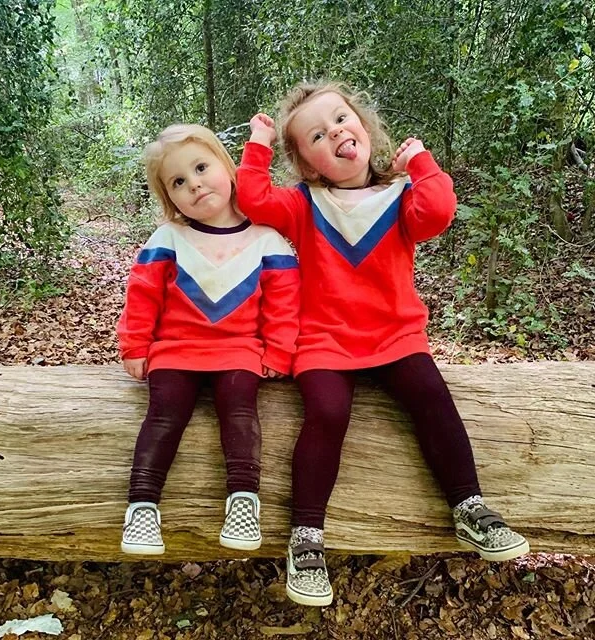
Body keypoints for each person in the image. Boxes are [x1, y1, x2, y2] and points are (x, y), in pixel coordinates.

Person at [235, 81, 529, 607]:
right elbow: (253, 200)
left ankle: (469, 508)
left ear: (364, 127)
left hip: (396, 336)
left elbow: (437, 214)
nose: (336, 134)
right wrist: (257, 146)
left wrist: (421, 162)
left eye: (342, 119)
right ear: (307, 165)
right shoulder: (305, 204)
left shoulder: (400, 196)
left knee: (432, 398)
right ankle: (306, 538)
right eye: (317, 136)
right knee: (327, 412)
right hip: (323, 340)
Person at [117, 123, 300, 556]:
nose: (194, 184)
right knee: (164, 414)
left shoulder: (267, 240)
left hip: (239, 351)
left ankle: (243, 500)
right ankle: (142, 507)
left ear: (227, 167)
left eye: (201, 167)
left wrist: (278, 350)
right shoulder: (169, 239)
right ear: (169, 197)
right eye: (178, 182)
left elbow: (284, 304)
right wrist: (134, 346)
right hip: (175, 350)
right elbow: (142, 295)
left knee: (238, 409)